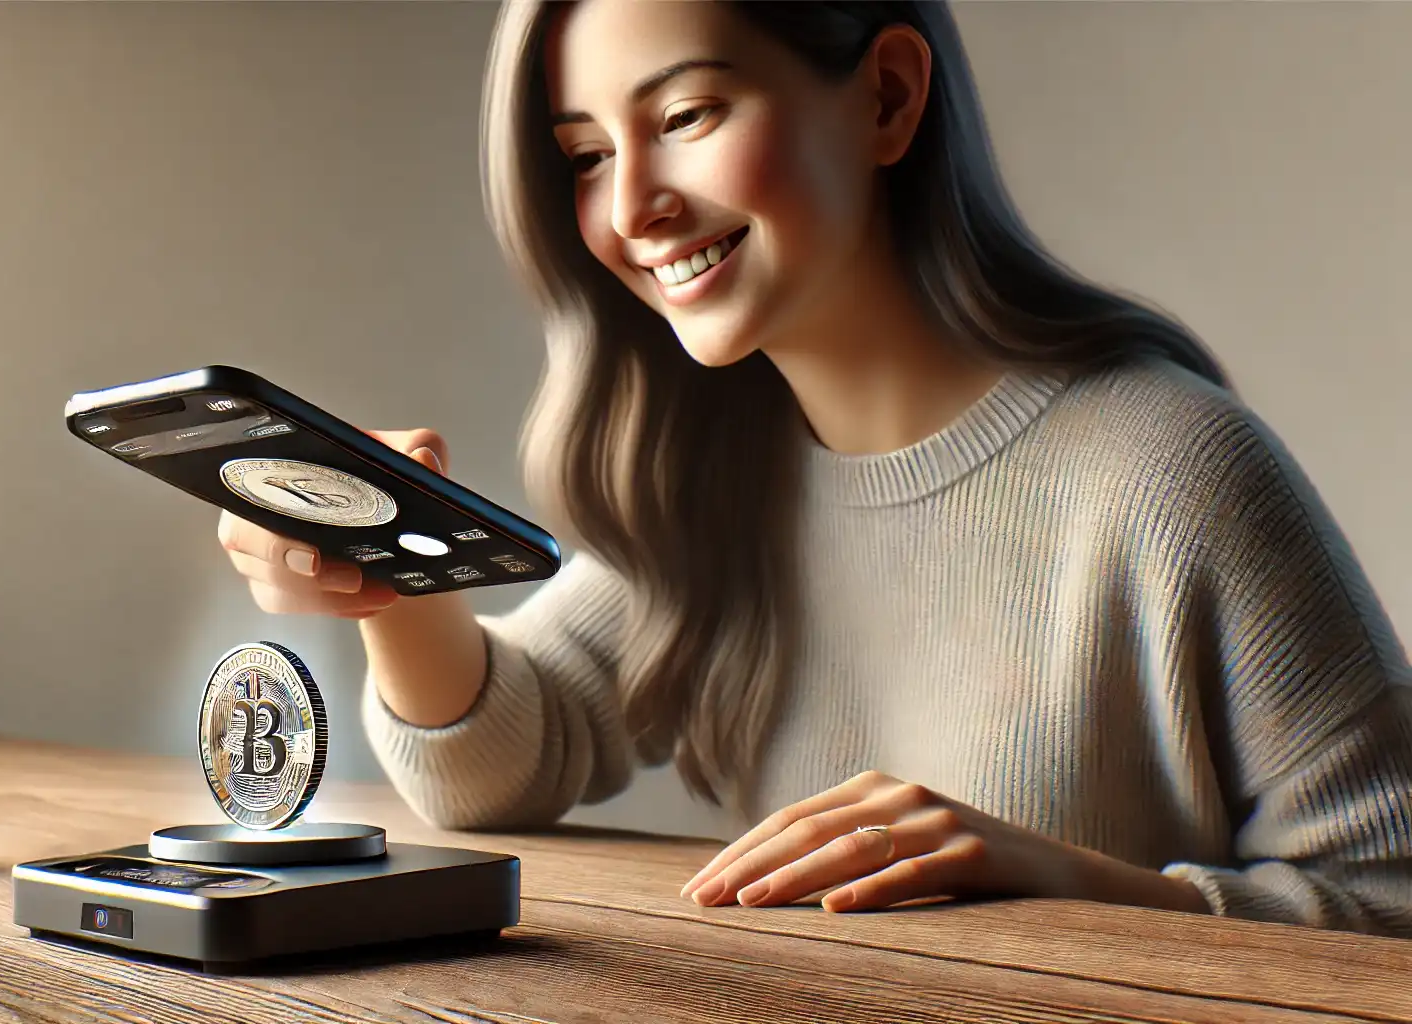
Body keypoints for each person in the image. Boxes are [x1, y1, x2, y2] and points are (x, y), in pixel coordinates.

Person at [216, 0, 1412, 936]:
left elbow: (1392, 908)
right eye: (584, 154)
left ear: (887, 96)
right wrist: (390, 578)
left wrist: (1069, 883)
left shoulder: (1169, 469)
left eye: (686, 118)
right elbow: (500, 764)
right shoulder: (716, 470)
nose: (633, 206)